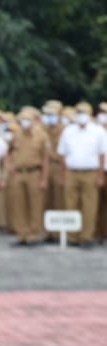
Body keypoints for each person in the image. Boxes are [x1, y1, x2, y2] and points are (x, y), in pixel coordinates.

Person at [57, 102, 107, 247]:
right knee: (71, 204)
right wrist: (62, 175)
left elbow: (102, 155)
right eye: (79, 113)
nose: (81, 116)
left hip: (90, 172)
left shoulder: (98, 131)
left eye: (84, 113)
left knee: (90, 206)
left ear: (90, 115)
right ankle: (73, 236)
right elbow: (62, 154)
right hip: (71, 171)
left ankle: (87, 236)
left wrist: (99, 176)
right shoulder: (68, 131)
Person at [5, 106, 49, 246]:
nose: (25, 122)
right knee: (19, 205)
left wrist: (43, 178)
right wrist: (9, 165)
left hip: (34, 172)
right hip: (19, 173)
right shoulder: (16, 134)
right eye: (22, 120)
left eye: (27, 119)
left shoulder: (41, 135)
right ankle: (21, 234)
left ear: (33, 121)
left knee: (35, 205)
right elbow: (9, 152)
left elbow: (45, 159)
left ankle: (33, 234)